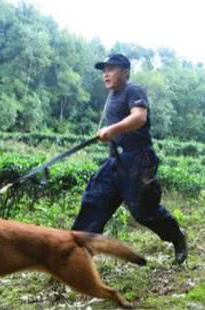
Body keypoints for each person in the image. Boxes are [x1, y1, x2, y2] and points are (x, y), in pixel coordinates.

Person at [71, 53, 188, 264]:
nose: (106, 74)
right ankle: (74, 255)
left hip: (139, 160)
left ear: (125, 72)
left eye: (111, 69)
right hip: (116, 160)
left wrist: (112, 130)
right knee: (94, 201)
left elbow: (139, 117)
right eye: (104, 70)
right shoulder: (112, 95)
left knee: (143, 211)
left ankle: (176, 235)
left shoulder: (133, 90)